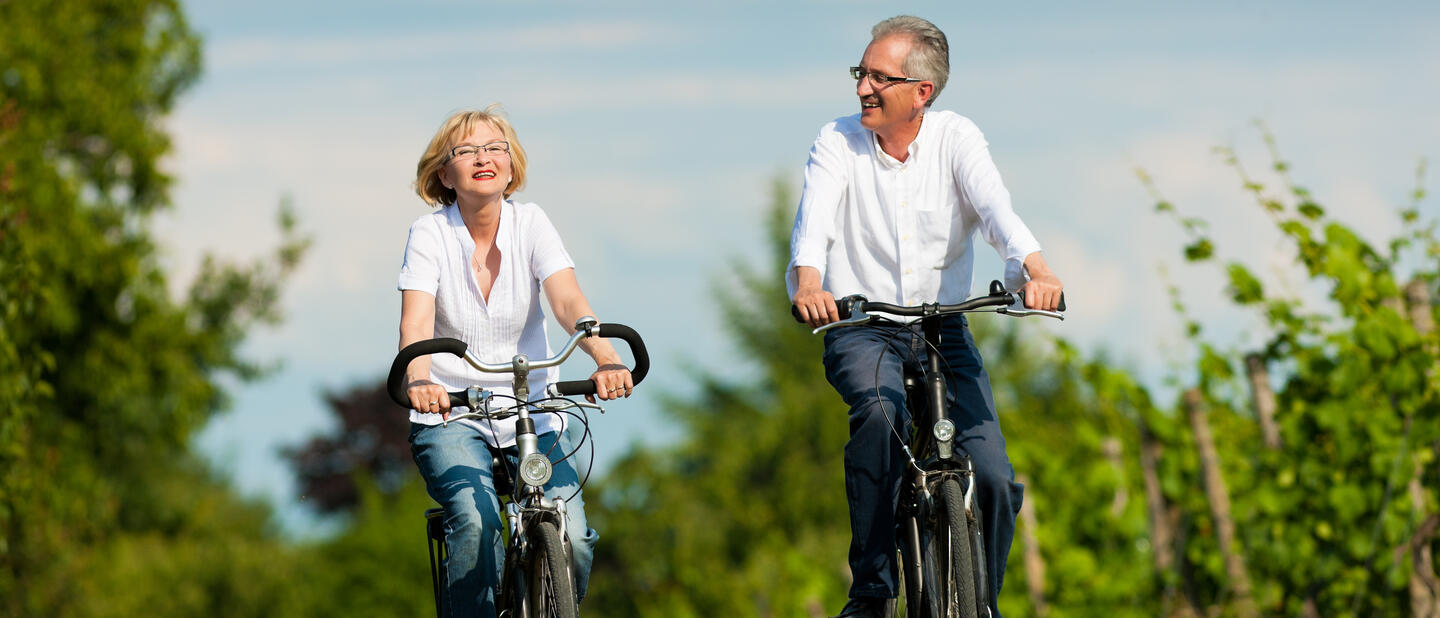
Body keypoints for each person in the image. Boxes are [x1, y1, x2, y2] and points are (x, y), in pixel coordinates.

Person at [787, 16, 1064, 618]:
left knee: (990, 474)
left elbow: (997, 213)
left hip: (943, 328)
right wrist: (810, 283)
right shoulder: (836, 142)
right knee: (879, 417)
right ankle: (873, 590)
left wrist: (1036, 270)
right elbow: (814, 224)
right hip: (864, 327)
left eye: (878, 78)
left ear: (921, 91)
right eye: (860, 73)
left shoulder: (957, 138)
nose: (862, 87)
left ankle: (981, 603)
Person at [398, 105, 633, 618]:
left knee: (573, 535)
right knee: (476, 522)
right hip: (455, 413)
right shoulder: (429, 234)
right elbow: (415, 326)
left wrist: (607, 360)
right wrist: (421, 379)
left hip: (535, 411)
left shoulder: (533, 223)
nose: (485, 157)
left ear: (512, 163)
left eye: (496, 147)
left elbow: (569, 302)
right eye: (467, 150)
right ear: (444, 173)